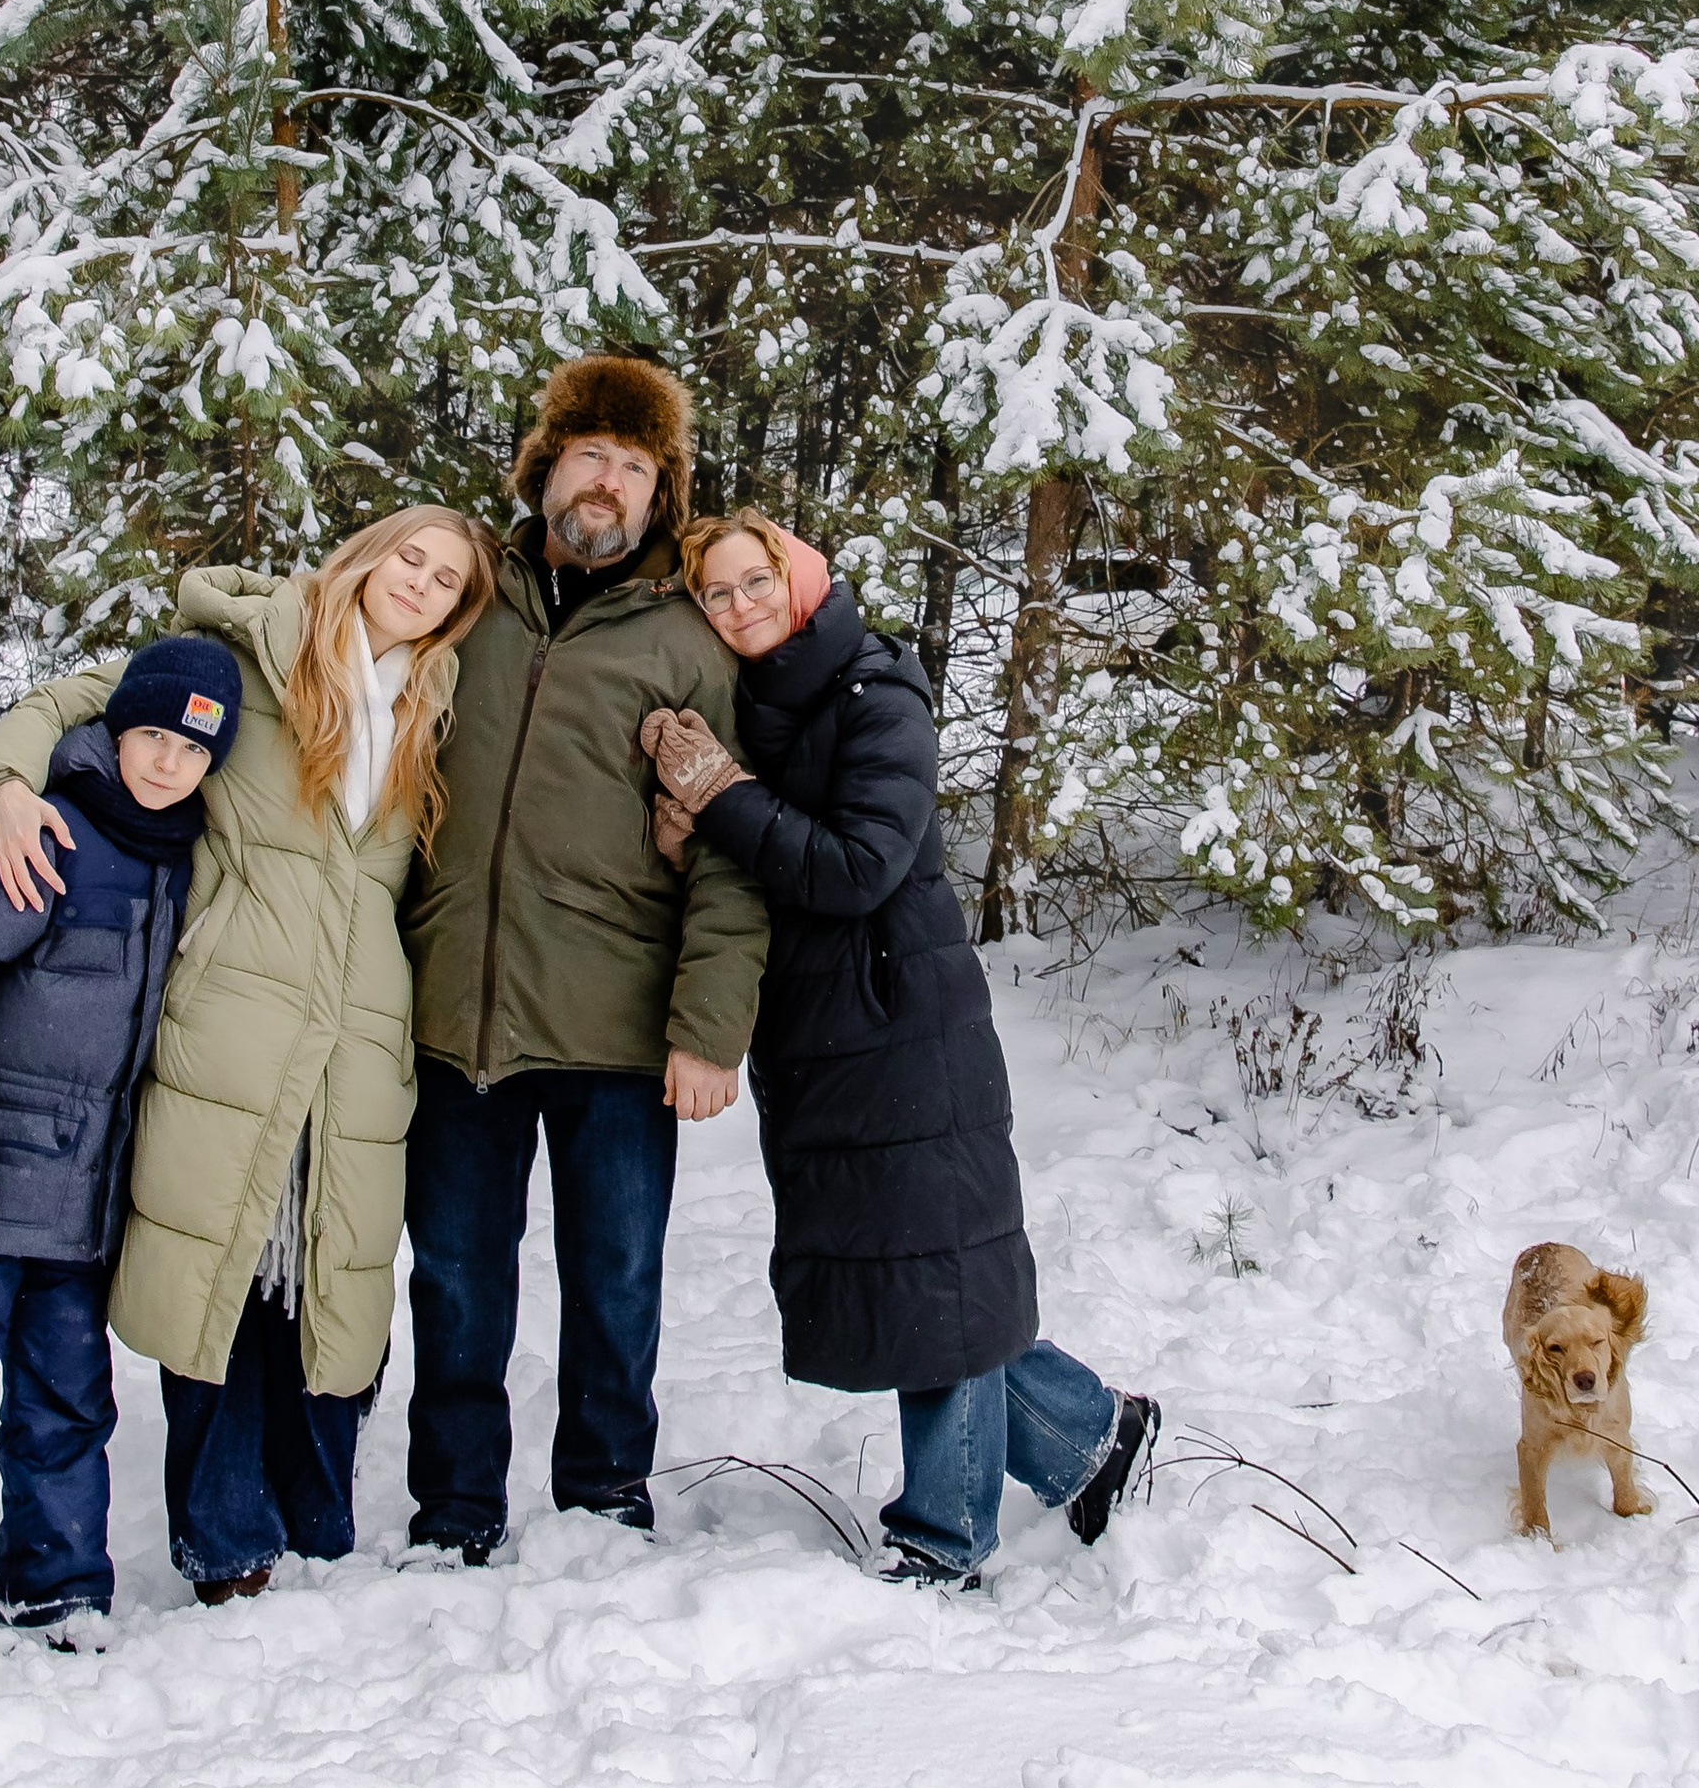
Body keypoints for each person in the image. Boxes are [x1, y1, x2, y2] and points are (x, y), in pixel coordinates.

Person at [0, 507, 496, 1601]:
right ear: (365, 553)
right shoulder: (247, 660)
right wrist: (9, 788)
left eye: (447, 581)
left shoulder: (434, 708)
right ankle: (222, 1543)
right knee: (220, 1273)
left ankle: (314, 1529)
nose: (421, 585)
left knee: (331, 1277)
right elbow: (74, 703)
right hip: (232, 1024)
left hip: (358, 1039)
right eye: (411, 557)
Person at [641, 509, 1157, 1588]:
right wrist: (696, 825)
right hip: (826, 1037)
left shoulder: (878, 689)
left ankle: (941, 1535)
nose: (736, 606)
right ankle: (1090, 1435)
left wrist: (724, 799)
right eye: (715, 594)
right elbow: (762, 849)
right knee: (922, 1272)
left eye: (753, 582)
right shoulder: (762, 699)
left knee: (932, 1282)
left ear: (800, 577)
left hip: (900, 1023)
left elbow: (856, 866)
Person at [398, 355, 772, 1561]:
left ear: (661, 491)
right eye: (588, 454)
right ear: (544, 463)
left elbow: (729, 845)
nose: (606, 481)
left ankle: (604, 1496)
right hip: (458, 1009)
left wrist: (710, 1025)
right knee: (455, 1282)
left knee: (613, 1280)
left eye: (634, 464)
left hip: (615, 1027)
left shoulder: (689, 638)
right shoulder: (468, 597)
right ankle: (454, 1507)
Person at [0, 633, 244, 1671]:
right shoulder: (47, 835)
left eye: (193, 750)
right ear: (117, 728)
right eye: (153, 737)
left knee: (67, 1405)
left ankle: (58, 1591)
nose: (168, 763)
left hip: (83, 1205)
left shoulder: (189, 862)